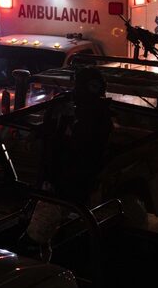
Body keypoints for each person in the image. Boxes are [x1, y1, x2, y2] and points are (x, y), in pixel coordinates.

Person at [25, 66, 114, 260]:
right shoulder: (70, 108)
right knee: (39, 237)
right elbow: (52, 133)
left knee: (33, 241)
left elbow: (84, 149)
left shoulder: (96, 116)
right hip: (58, 179)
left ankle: (40, 265)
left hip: (66, 184)